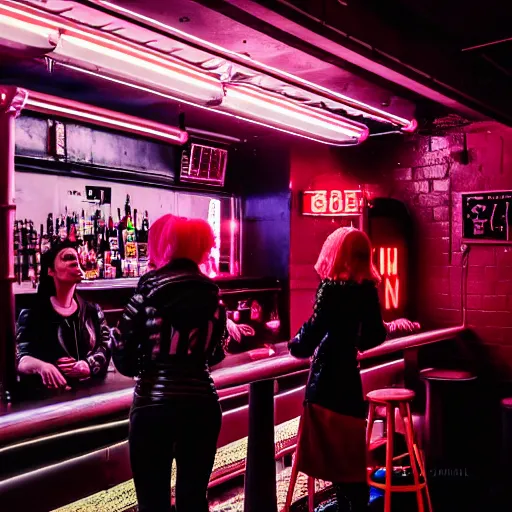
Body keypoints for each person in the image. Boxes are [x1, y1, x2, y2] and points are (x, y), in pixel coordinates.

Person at [288, 227, 419, 512]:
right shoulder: (367, 291)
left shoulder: (330, 290)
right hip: (349, 380)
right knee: (348, 457)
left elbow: (309, 336)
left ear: (335, 255)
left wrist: (294, 343)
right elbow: (374, 336)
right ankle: (353, 503)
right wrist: (352, 340)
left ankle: (344, 503)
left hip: (325, 383)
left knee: (330, 457)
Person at [112, 215, 227, 512]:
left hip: (153, 405)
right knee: (193, 499)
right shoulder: (215, 297)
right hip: (202, 404)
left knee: (153, 503)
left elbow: (122, 356)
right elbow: (215, 355)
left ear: (164, 247)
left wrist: (148, 364)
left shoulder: (145, 293)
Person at [16, 238, 112, 393]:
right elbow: (20, 358)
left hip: (89, 396)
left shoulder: (93, 311)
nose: (75, 262)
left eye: (77, 258)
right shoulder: (32, 313)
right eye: (68, 258)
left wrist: (88, 365)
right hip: (47, 400)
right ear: (50, 271)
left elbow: (106, 347)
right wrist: (42, 366)